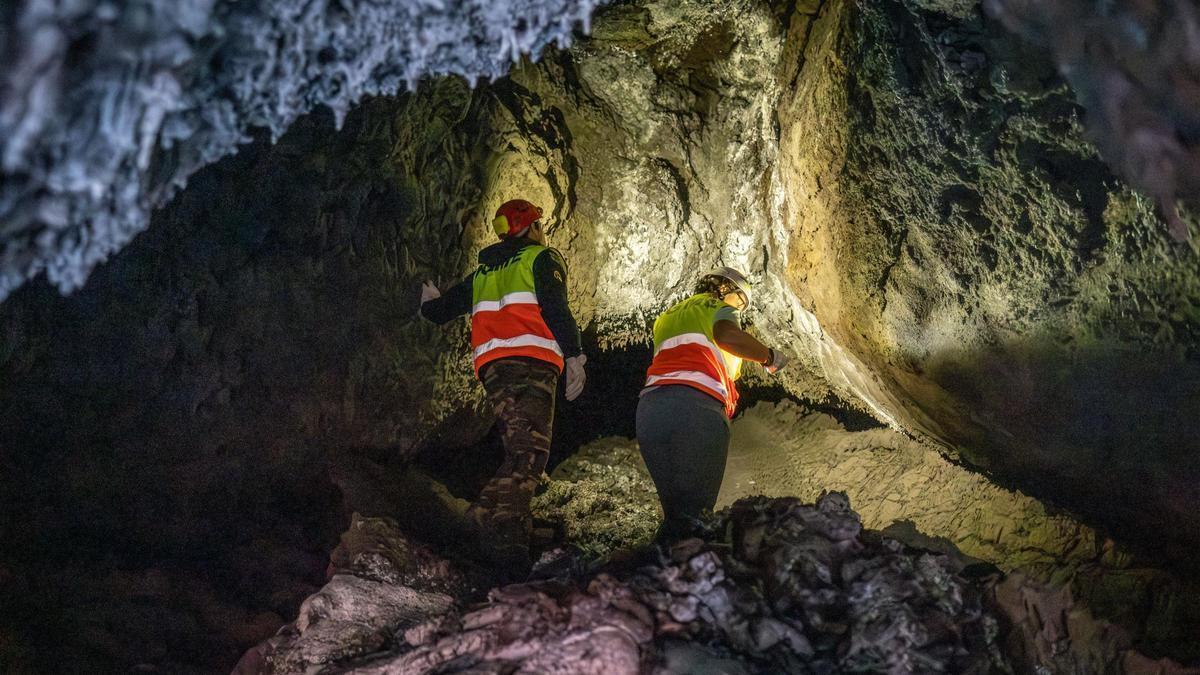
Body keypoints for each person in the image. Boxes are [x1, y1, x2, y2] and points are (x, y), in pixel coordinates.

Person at [418, 198, 587, 564]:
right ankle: (506, 544)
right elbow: (555, 306)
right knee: (530, 453)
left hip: (494, 368)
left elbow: (441, 311)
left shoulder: (483, 274)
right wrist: (574, 353)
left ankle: (483, 518)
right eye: (540, 225)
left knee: (519, 449)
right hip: (531, 363)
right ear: (532, 228)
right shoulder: (540, 259)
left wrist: (429, 302)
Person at [636, 267, 789, 538]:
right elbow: (728, 337)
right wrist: (769, 357)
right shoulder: (716, 308)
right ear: (726, 290)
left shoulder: (665, 318)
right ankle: (693, 573)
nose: (740, 309)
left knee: (674, 514)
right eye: (740, 301)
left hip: (650, 411)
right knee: (698, 513)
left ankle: (654, 571)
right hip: (697, 409)